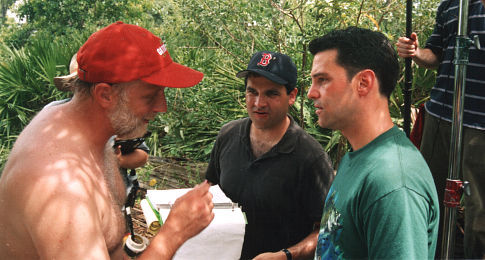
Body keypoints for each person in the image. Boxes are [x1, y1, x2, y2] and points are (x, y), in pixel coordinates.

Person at [0, 21, 214, 259]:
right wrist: (174, 233)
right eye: (150, 95)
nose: (161, 107)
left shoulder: (90, 130)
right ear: (105, 94)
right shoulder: (61, 187)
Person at [308, 27, 440, 259]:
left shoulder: (393, 182)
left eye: (322, 80)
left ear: (363, 83)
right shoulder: (359, 156)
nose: (311, 93)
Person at [205, 51, 334, 260]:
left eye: (271, 94)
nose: (258, 103)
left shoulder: (311, 158)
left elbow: (327, 232)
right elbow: (209, 188)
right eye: (252, 92)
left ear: (291, 96)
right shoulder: (228, 135)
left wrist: (286, 256)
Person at [396, 0, 485, 257]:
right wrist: (415, 52)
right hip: (441, 116)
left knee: (479, 216)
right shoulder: (450, 5)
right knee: (427, 199)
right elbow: (435, 54)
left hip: (480, 125)